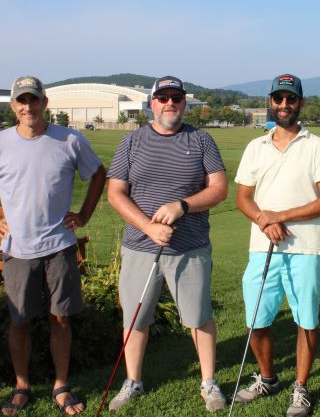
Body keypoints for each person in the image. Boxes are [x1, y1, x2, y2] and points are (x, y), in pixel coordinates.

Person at [0, 75, 107, 416]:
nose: (28, 107)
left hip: (59, 246)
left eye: (34, 100)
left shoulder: (69, 139)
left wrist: (84, 215)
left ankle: (61, 386)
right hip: (18, 250)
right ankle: (22, 386)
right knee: (20, 321)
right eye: (21, 101)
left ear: (45, 103)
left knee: (60, 319)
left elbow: (98, 174)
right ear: (14, 106)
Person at [106, 76, 228, 413]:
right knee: (135, 318)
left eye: (176, 97)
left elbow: (218, 188)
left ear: (184, 103)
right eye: (163, 98)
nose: (170, 103)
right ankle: (132, 382)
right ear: (151, 104)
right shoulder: (131, 143)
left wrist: (183, 205)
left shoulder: (201, 140)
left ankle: (209, 382)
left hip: (189, 248)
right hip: (140, 247)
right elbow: (115, 192)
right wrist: (148, 226)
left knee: (198, 317)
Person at [233, 74, 320, 417]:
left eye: (290, 99)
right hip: (262, 248)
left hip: (305, 249)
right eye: (278, 99)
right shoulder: (256, 146)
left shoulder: (317, 146)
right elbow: (243, 197)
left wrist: (281, 215)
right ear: (271, 102)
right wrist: (265, 219)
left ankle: (301, 387)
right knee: (256, 320)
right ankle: (268, 378)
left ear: (300, 104)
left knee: (305, 321)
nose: (283, 105)